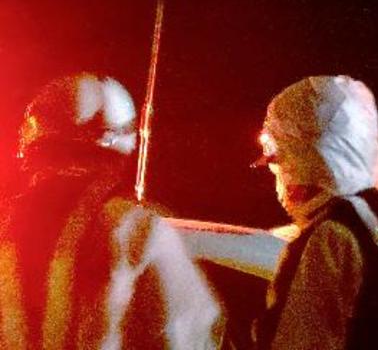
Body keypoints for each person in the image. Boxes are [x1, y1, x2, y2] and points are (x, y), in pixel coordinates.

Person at [0, 73, 222, 349]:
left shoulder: (5, 224)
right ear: (120, 152)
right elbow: (190, 336)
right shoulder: (138, 229)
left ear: (32, 149)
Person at [251, 75, 378, 350]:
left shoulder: (330, 236)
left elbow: (298, 340)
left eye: (279, 164)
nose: (280, 180)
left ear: (306, 158)